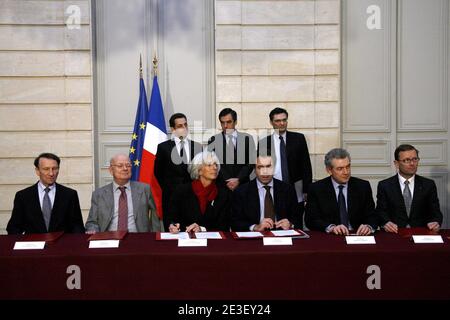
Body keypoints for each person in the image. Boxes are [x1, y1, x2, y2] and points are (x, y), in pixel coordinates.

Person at [258, 107, 312, 229]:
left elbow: (306, 165)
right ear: (271, 122)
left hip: (296, 187)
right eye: (277, 121)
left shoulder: (298, 138)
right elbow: (261, 167)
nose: (281, 123)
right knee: (276, 219)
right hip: (274, 186)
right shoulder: (264, 142)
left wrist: (307, 190)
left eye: (284, 120)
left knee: (295, 221)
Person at [7, 153, 85, 234]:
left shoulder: (70, 195)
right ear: (37, 171)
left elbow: (77, 227)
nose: (51, 173)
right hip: (34, 245)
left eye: (54, 168)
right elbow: (14, 227)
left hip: (62, 245)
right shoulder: (23, 196)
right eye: (46, 169)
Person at [305, 148, 378, 235]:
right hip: (331, 237)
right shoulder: (316, 188)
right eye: (340, 169)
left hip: (357, 235)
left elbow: (372, 216)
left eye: (348, 167)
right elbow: (311, 220)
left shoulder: (362, 186)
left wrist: (368, 226)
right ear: (329, 170)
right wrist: (331, 227)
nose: (346, 172)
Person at [85, 154, 162, 233]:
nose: (125, 168)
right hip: (109, 238)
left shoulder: (145, 189)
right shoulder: (99, 194)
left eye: (128, 165)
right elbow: (91, 222)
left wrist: (154, 237)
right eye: (120, 166)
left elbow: (155, 217)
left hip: (138, 238)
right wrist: (93, 231)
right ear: (111, 170)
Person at [375, 144, 443, 233]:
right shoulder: (385, 185)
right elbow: (380, 212)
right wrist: (386, 223)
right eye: (407, 160)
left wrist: (436, 222)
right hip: (394, 235)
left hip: (421, 234)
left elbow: (436, 213)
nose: (412, 163)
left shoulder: (428, 185)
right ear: (396, 163)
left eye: (415, 159)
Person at [154, 113, 202, 229]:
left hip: (193, 198)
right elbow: (158, 172)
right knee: (172, 233)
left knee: (193, 232)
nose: (184, 128)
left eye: (185, 125)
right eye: (180, 126)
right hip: (171, 197)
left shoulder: (197, 147)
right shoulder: (163, 147)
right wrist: (170, 186)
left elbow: (200, 172)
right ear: (173, 129)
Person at [166, 151, 231, 233]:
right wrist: (173, 226)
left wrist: (202, 229)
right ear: (199, 170)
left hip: (213, 242)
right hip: (185, 240)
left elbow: (224, 225)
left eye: (216, 165)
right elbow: (172, 217)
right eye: (209, 165)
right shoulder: (181, 191)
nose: (215, 167)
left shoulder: (223, 193)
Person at [231, 153, 298, 232]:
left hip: (281, 237)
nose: (265, 171)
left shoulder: (288, 190)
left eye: (268, 166)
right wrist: (255, 227)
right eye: (260, 167)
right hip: (254, 239)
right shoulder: (241, 192)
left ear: (274, 168)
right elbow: (235, 223)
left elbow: (297, 219)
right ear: (255, 170)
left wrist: (290, 224)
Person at [207, 108, 256, 192]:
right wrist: (228, 181)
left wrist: (238, 179)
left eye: (229, 122)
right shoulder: (213, 140)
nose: (225, 126)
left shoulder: (247, 138)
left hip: (243, 186)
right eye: (222, 122)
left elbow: (251, 162)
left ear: (235, 122)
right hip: (222, 187)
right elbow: (213, 163)